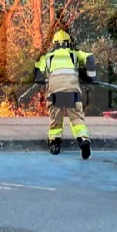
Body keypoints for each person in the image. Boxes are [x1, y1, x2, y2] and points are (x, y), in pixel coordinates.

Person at [33, 30, 97, 159]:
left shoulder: (47, 56)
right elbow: (90, 57)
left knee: (56, 118)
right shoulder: (74, 53)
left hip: (55, 89)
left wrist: (41, 80)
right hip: (71, 88)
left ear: (54, 44)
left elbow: (38, 72)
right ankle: (83, 139)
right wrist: (91, 77)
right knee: (77, 118)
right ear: (68, 43)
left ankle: (55, 143)